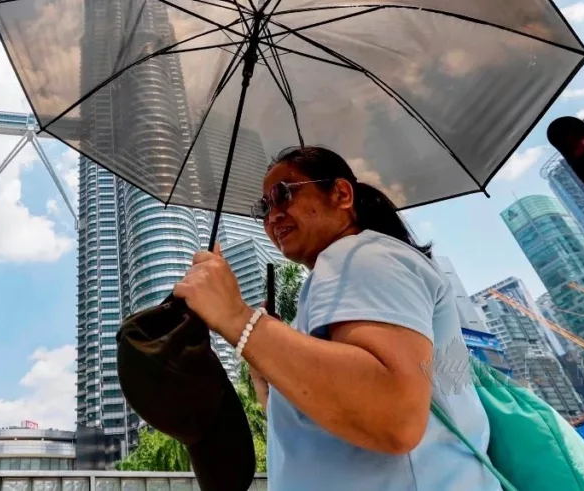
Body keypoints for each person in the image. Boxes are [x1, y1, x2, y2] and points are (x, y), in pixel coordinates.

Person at [173, 146, 502, 491]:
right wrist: (265, 368)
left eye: (283, 194)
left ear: (341, 194)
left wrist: (238, 319)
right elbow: (319, 425)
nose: (272, 217)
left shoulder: (359, 255)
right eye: (264, 208)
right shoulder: (352, 269)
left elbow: (395, 415)